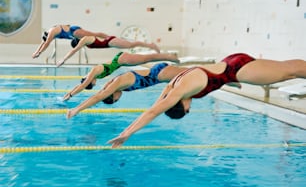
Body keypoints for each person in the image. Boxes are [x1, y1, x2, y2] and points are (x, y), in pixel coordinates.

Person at [107, 53, 306, 148]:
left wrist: (126, 134)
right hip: (232, 67)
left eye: (187, 110)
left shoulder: (181, 91)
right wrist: (230, 83)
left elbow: (153, 112)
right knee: (289, 71)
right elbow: (157, 104)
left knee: (291, 70)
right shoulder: (174, 87)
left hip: (238, 70)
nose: (190, 107)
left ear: (181, 105)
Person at [66, 62, 190, 119]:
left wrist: (77, 109)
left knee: (197, 72)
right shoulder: (120, 86)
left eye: (115, 100)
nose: (118, 99)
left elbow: (98, 97)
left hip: (159, 74)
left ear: (112, 95)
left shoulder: (117, 83)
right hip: (160, 76)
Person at [62, 51, 180, 101]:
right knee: (146, 60)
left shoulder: (94, 71)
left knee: (147, 58)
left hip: (121, 59)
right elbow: (81, 84)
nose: (95, 84)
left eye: (92, 84)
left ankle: (169, 56)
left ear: (89, 81)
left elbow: (82, 85)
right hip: (121, 60)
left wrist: (71, 94)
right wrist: (69, 93)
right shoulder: (95, 75)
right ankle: (169, 58)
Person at [56, 36, 160, 67]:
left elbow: (74, 50)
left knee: (130, 45)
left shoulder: (84, 40)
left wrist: (63, 59)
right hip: (110, 42)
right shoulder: (85, 41)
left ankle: (151, 45)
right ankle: (150, 46)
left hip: (110, 42)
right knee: (130, 45)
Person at [32, 24, 109, 59]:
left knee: (94, 34)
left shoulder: (52, 31)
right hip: (72, 35)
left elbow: (46, 43)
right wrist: (36, 52)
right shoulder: (50, 35)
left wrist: (39, 53)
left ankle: (109, 38)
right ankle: (105, 41)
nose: (50, 39)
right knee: (83, 43)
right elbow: (43, 43)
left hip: (74, 31)